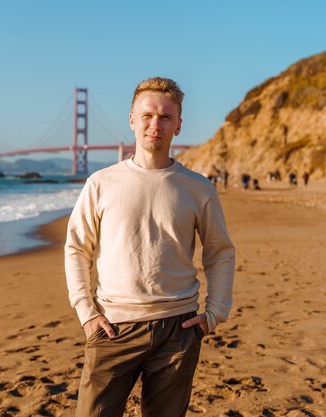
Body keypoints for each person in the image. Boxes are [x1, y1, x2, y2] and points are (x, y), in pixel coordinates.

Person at [65, 77, 236, 417]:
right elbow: (77, 248)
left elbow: (220, 252)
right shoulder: (101, 183)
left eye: (165, 117)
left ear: (178, 126)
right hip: (113, 327)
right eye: (147, 115)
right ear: (131, 119)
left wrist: (215, 314)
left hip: (178, 328)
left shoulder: (198, 189)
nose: (155, 125)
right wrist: (86, 313)